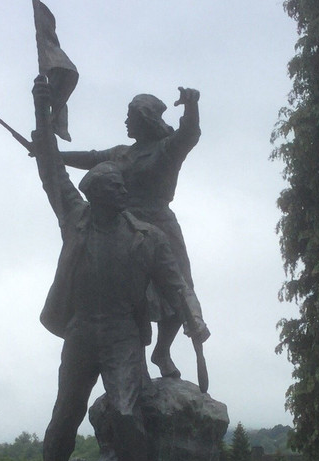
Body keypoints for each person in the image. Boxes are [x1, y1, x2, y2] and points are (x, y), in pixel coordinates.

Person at [27, 75, 209, 461]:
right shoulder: (77, 218)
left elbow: (176, 286)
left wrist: (195, 320)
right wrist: (41, 113)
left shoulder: (147, 238)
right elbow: (53, 170)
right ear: (96, 193)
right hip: (82, 330)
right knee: (64, 413)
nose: (125, 190)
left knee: (128, 414)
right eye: (116, 188)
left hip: (124, 335)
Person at [15, 87, 201, 379]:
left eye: (130, 116)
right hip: (125, 225)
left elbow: (189, 134)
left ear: (145, 119)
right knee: (126, 296)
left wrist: (191, 107)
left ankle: (162, 351)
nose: (126, 121)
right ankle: (131, 358)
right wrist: (50, 154)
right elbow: (90, 159)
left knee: (179, 294)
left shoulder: (167, 148)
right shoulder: (120, 153)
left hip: (161, 225)